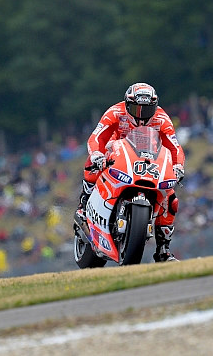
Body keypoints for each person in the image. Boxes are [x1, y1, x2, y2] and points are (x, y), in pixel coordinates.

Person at [75, 82, 185, 262]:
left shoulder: (162, 119)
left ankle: (163, 250)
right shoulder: (115, 112)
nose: (141, 116)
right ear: (127, 105)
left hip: (148, 160)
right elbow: (96, 137)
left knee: (170, 199)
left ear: (155, 107)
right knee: (93, 163)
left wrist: (178, 166)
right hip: (118, 152)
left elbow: (175, 147)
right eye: (136, 109)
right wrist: (96, 154)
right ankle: (84, 203)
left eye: (146, 110)